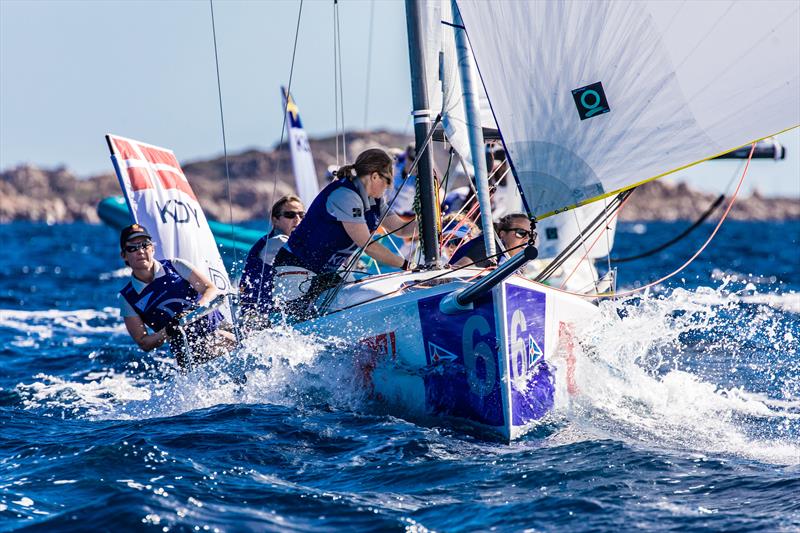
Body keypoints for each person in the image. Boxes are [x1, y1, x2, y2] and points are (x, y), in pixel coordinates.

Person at [272, 148, 416, 319]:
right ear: (375, 176)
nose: (390, 186)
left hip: (328, 272)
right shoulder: (345, 195)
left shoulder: (376, 201)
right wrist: (407, 266)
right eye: (388, 180)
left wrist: (430, 217)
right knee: (298, 324)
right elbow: (368, 246)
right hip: (296, 266)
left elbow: (402, 230)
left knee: (363, 302)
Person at [117, 224, 235, 369]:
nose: (140, 251)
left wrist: (195, 311)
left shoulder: (176, 266)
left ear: (152, 248)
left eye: (145, 245)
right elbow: (144, 342)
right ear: (124, 255)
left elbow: (210, 289)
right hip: (189, 356)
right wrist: (168, 331)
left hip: (219, 333)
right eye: (132, 248)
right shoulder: (127, 298)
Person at [238, 195, 305, 327]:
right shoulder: (277, 242)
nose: (297, 219)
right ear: (275, 220)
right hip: (263, 320)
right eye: (290, 215)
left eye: (302, 215)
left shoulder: (273, 241)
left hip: (273, 316)